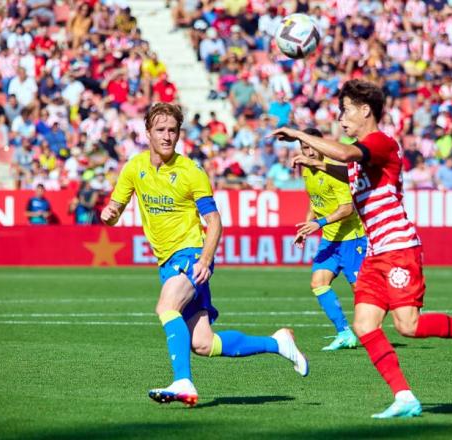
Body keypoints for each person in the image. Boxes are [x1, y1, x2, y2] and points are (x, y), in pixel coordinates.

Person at [270, 80, 452, 419]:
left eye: (345, 110)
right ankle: (404, 397)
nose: (341, 119)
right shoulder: (361, 153)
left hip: (399, 246)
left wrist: (301, 134)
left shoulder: (380, 142)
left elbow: (345, 154)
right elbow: (347, 167)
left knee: (408, 326)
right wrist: (317, 163)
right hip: (375, 251)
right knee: (365, 325)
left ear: (365, 110)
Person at [101, 103, 308, 406]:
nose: (167, 136)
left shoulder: (190, 172)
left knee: (166, 306)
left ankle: (183, 382)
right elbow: (116, 209)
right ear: (148, 133)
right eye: (160, 130)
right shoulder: (134, 168)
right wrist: (110, 213)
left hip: (191, 254)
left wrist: (205, 259)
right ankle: (278, 343)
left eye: (173, 130)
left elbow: (214, 222)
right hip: (166, 261)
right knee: (203, 343)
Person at [295, 128, 366, 351]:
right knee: (318, 283)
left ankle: (397, 302)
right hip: (329, 239)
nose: (309, 152)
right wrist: (307, 225)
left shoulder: (333, 171)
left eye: (312, 147)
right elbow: (314, 201)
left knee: (362, 292)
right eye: (305, 148)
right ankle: (344, 333)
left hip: (351, 238)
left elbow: (347, 209)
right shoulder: (306, 169)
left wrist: (320, 223)